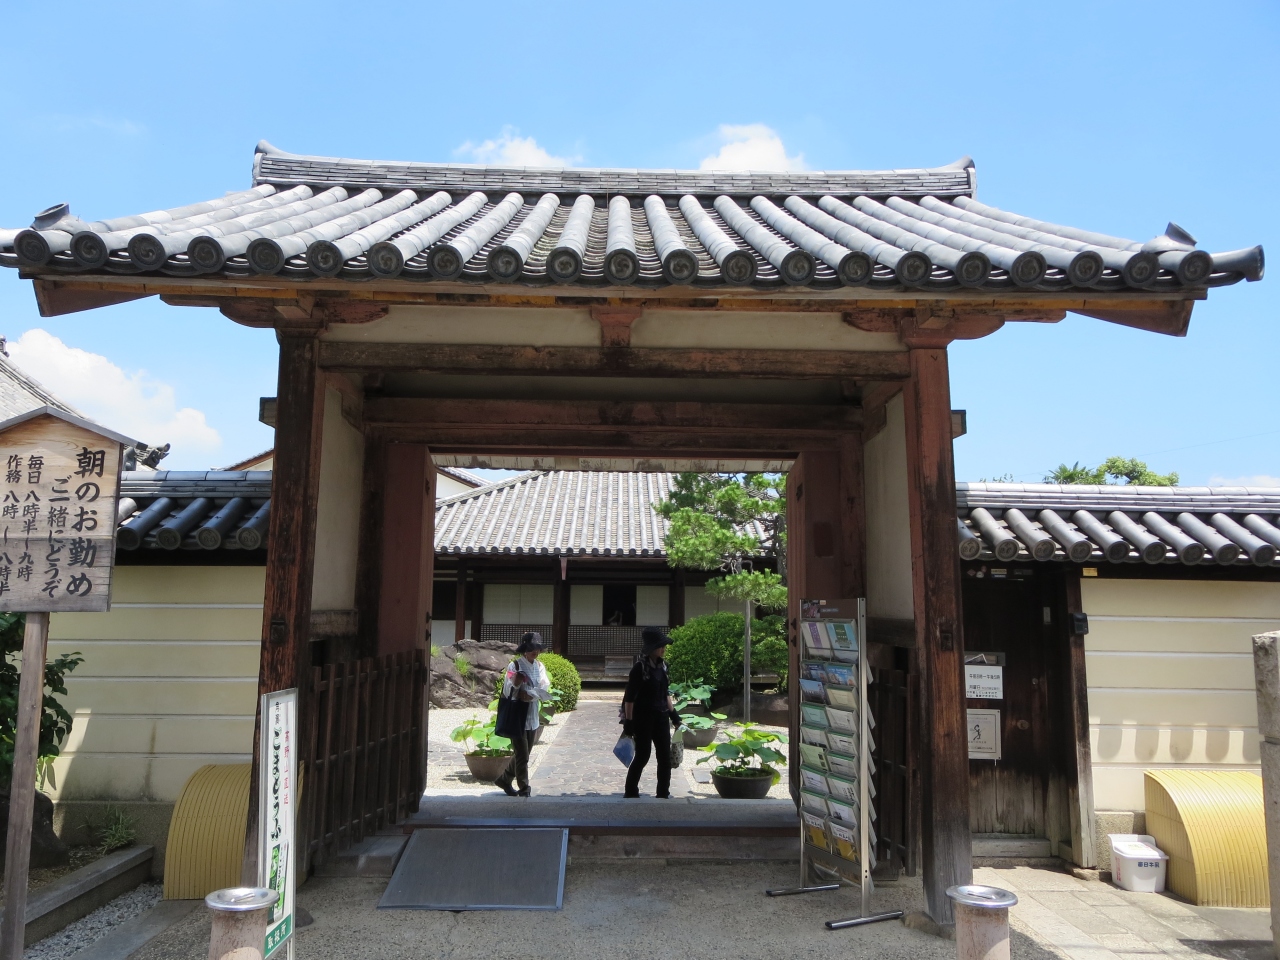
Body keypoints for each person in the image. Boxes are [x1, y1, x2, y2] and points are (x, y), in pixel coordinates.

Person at [622, 627, 680, 799]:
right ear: (652, 648)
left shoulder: (664, 667)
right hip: (643, 718)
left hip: (661, 717)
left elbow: (665, 694)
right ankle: (631, 791)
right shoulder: (639, 668)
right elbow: (630, 698)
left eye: (664, 646)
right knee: (643, 755)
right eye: (660, 646)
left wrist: (674, 716)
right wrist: (629, 722)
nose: (663, 649)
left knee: (664, 758)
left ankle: (663, 793)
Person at [495, 632, 553, 797]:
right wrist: (517, 684)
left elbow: (544, 685)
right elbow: (508, 689)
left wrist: (532, 694)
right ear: (525, 650)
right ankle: (524, 787)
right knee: (522, 754)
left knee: (524, 752)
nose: (535, 652)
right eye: (531, 648)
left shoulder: (539, 666)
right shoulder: (515, 666)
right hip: (517, 714)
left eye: (537, 648)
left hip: (532, 711)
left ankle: (505, 779)